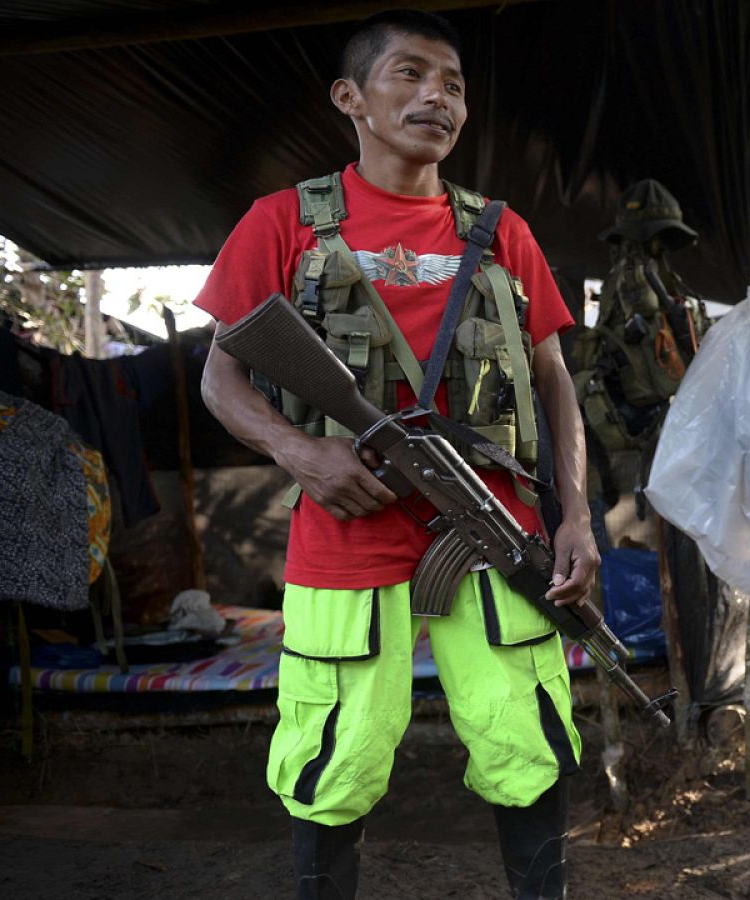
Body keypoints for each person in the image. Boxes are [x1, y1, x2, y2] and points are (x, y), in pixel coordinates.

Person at [195, 11, 596, 898]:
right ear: (351, 99)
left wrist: (576, 519)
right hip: (348, 528)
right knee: (331, 756)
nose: (435, 97)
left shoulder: (501, 231)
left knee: (524, 740)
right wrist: (300, 453)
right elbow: (221, 381)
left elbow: (555, 379)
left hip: (494, 527)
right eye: (409, 75)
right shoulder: (282, 224)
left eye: (452, 85)